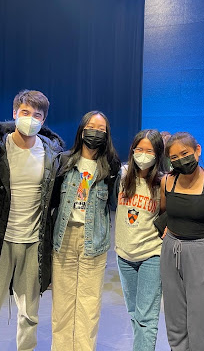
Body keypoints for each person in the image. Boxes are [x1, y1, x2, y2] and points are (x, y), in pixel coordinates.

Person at [0, 90, 64, 350]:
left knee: (30, 314)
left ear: (44, 119)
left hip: (34, 242)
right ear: (15, 113)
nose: (31, 119)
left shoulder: (52, 153)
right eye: (25, 112)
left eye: (37, 115)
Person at [51, 111, 121, 351]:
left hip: (94, 242)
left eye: (101, 129)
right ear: (82, 130)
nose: (96, 132)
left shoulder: (110, 166)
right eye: (91, 126)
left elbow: (115, 204)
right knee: (62, 305)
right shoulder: (64, 161)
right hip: (64, 238)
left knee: (89, 305)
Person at [159, 132, 204, 351]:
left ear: (198, 150)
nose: (179, 160)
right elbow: (165, 212)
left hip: (201, 252)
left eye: (184, 153)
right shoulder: (167, 181)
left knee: (200, 322)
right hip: (170, 251)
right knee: (174, 320)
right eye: (173, 157)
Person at [114, 129, 165, 351]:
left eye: (149, 151)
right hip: (124, 255)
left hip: (151, 255)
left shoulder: (162, 182)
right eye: (139, 149)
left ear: (158, 154)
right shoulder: (122, 175)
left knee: (146, 318)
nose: (143, 154)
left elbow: (166, 215)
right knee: (134, 313)